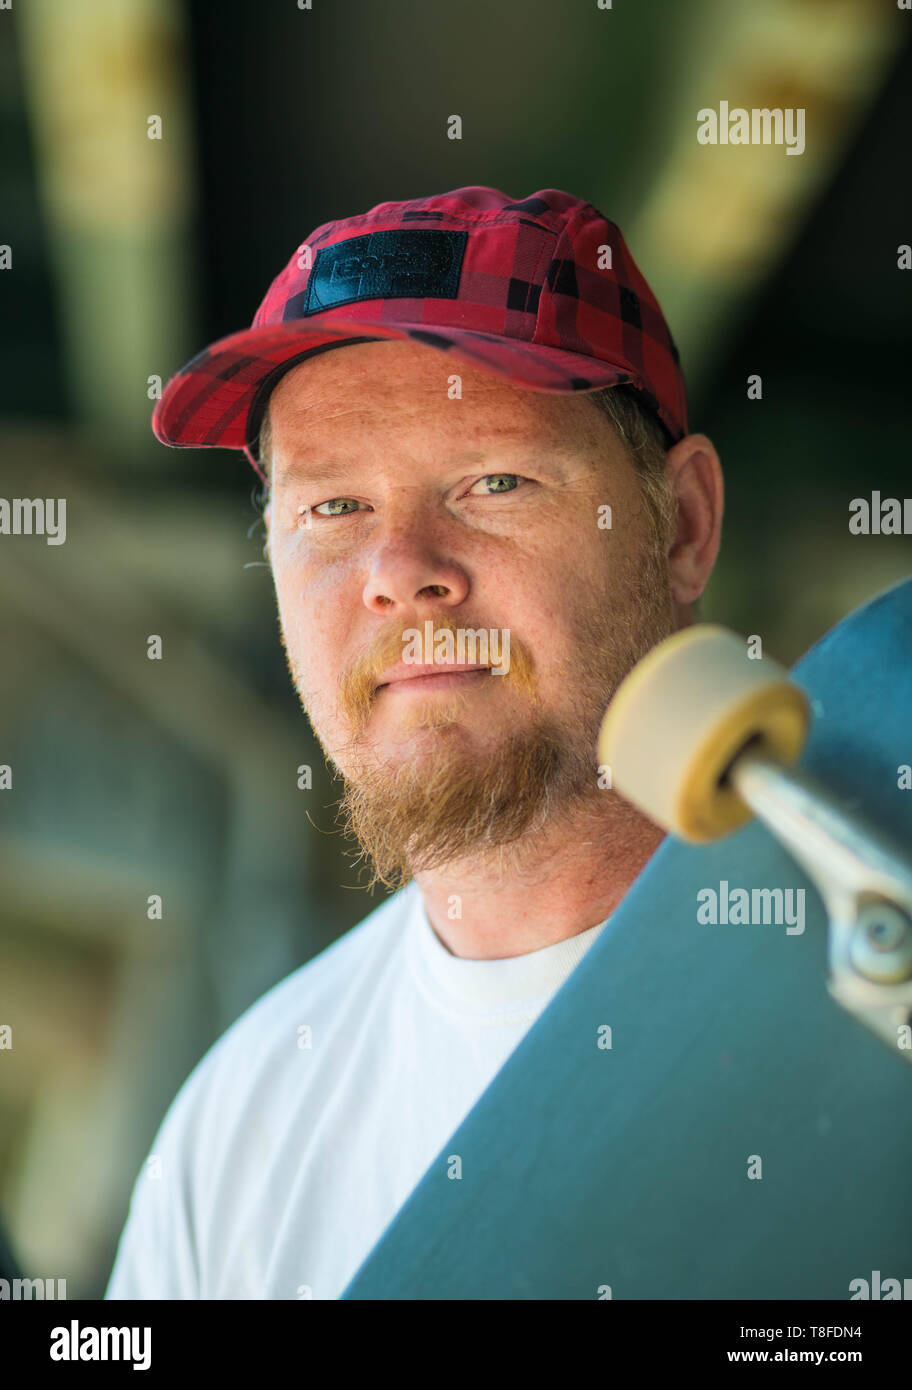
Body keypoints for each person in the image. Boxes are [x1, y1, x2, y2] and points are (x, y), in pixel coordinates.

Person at [105, 185, 723, 1299]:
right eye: (331, 509)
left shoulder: (869, 968)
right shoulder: (234, 1140)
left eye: (495, 481)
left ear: (681, 525)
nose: (399, 570)